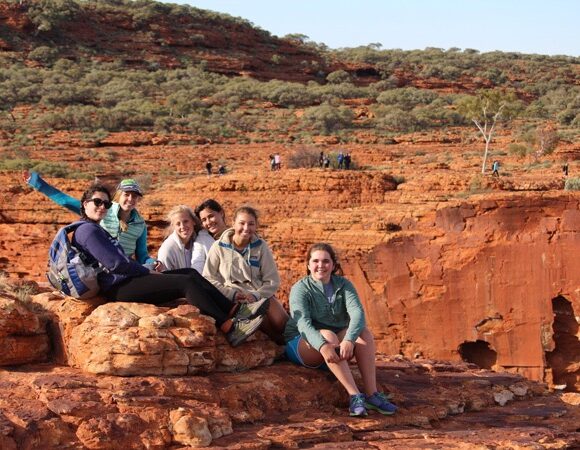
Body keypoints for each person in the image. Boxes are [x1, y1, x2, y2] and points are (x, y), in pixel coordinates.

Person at [68, 184, 268, 347]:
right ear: (85, 204)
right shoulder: (88, 231)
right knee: (185, 284)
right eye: (97, 202)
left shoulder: (94, 229)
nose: (102, 206)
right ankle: (229, 328)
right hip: (118, 287)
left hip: (126, 279)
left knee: (190, 273)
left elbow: (122, 260)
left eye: (105, 203)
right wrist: (147, 271)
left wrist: (146, 266)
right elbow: (117, 264)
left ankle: (234, 310)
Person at [283, 243, 398, 417]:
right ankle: (354, 397)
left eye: (325, 261)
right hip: (303, 344)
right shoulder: (301, 288)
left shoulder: (343, 285)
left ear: (334, 265)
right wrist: (323, 345)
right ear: (308, 265)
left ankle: (372, 395)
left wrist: (349, 339)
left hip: (335, 344)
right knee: (328, 336)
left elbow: (357, 314)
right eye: (315, 261)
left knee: (363, 333)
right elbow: (303, 324)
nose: (320, 265)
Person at [23, 171, 158, 267]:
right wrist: (36, 182)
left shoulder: (140, 225)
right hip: (97, 269)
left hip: (125, 269)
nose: (130, 199)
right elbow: (65, 201)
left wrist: (154, 263)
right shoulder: (102, 209)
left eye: (134, 196)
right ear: (118, 195)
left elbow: (142, 256)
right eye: (126, 194)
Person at [203, 206, 289, 344]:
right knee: (265, 322)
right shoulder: (219, 246)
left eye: (251, 224)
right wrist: (231, 294)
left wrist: (256, 295)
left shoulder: (261, 247)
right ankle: (283, 347)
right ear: (233, 223)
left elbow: (272, 280)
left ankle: (294, 347)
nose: (246, 228)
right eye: (242, 223)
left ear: (256, 226)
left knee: (282, 323)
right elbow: (208, 278)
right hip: (234, 297)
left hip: (258, 294)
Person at [157, 205, 215, 273]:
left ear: (193, 221)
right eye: (178, 224)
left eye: (186, 221)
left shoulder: (201, 239)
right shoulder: (168, 249)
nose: (183, 226)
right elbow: (164, 277)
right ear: (173, 226)